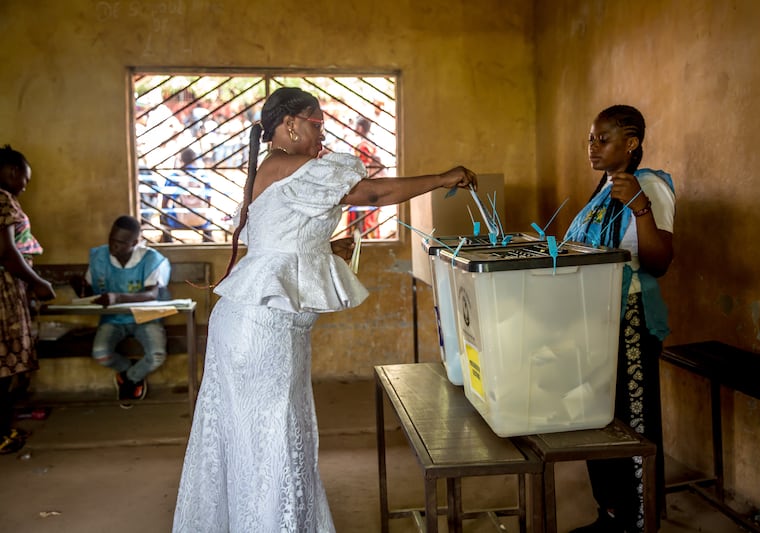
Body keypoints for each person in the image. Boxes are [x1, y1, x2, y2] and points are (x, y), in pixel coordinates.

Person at [172, 87, 477, 532]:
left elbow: (275, 240)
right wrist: (442, 177)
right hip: (260, 331)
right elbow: (369, 195)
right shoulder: (285, 164)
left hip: (262, 327)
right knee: (272, 441)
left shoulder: (279, 171)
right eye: (317, 123)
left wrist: (321, 246)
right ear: (291, 123)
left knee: (270, 439)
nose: (322, 132)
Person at [564, 105, 675, 533]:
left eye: (602, 138)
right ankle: (608, 515)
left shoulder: (650, 187)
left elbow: (660, 261)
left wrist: (640, 207)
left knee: (633, 423)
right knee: (598, 418)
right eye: (590, 139)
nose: (592, 147)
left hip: (630, 318)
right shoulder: (600, 193)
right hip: (593, 316)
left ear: (630, 144)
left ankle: (637, 521)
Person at [73, 216, 171, 408]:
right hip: (113, 319)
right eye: (111, 239)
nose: (113, 246)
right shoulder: (99, 257)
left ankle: (130, 378)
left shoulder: (152, 259)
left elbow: (152, 294)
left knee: (157, 355)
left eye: (119, 242)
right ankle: (129, 370)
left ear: (134, 242)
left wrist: (117, 298)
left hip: (146, 317)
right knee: (100, 353)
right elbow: (92, 293)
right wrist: (80, 288)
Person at [0, 145, 56, 454]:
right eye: (24, 178)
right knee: (6, 363)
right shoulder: (1, 199)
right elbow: (7, 253)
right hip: (4, 291)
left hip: (10, 286)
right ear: (10, 170)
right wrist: (38, 283)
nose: (24, 185)